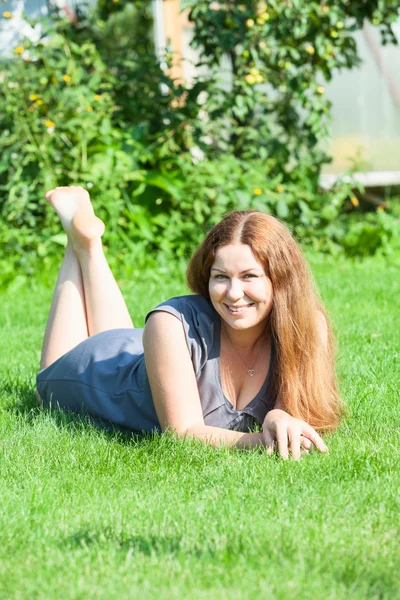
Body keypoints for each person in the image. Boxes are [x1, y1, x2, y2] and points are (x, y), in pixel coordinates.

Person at [36, 186, 343, 459]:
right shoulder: (169, 324)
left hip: (143, 349)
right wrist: (260, 441)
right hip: (95, 374)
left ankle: (88, 243)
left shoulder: (307, 325)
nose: (234, 294)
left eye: (249, 276)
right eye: (221, 277)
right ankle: (78, 241)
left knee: (125, 334)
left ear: (282, 280)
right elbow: (182, 432)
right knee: (44, 383)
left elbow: (297, 408)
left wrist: (279, 415)